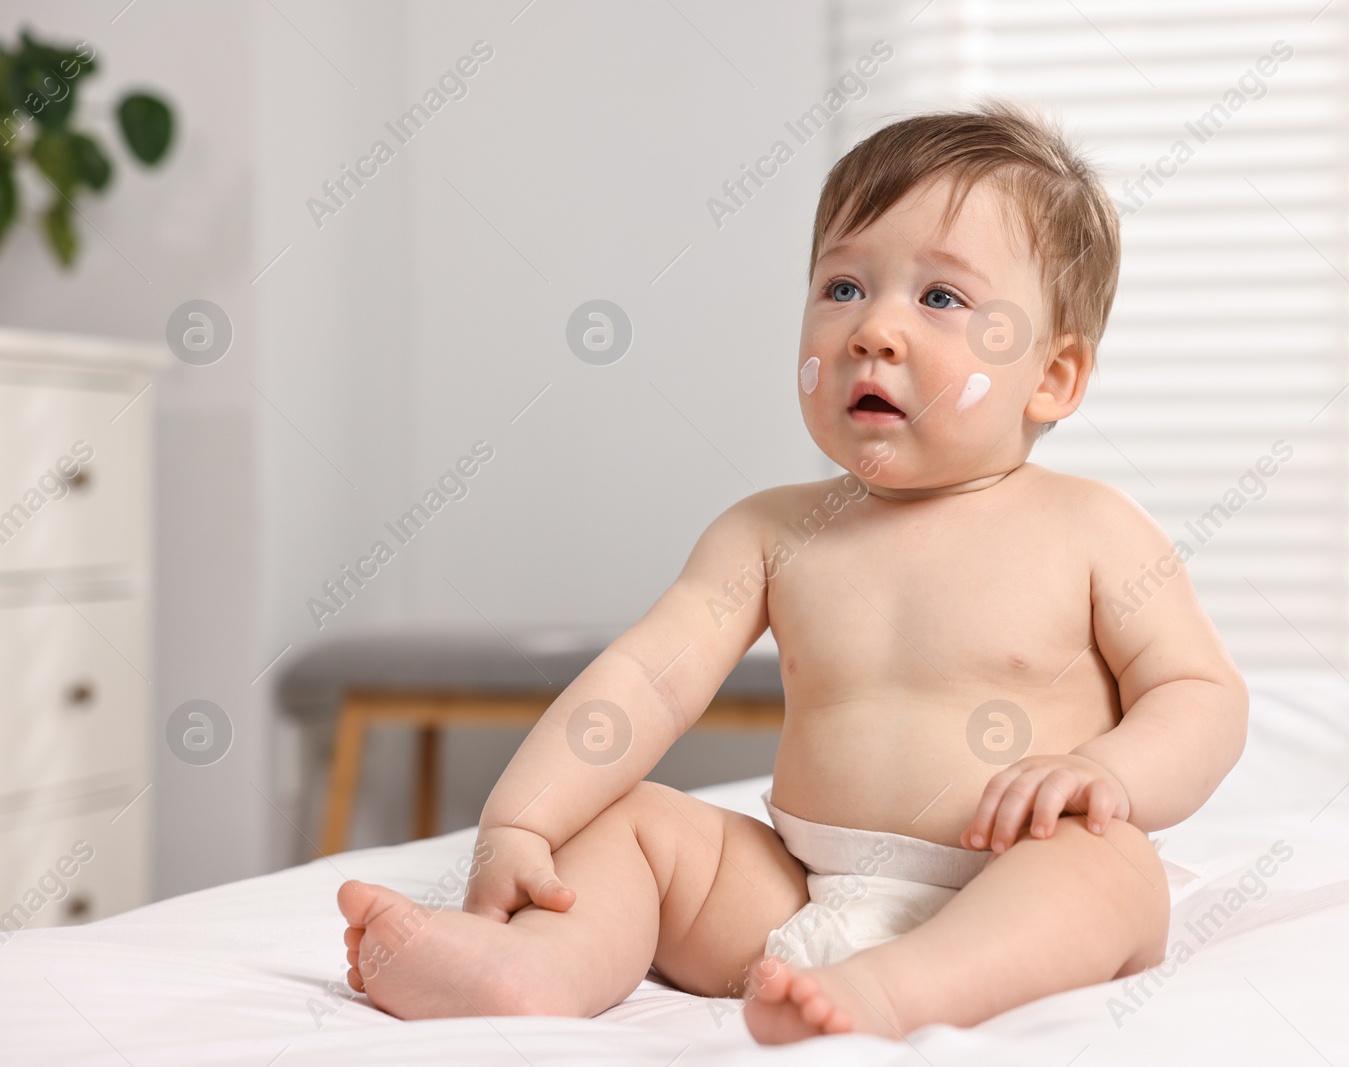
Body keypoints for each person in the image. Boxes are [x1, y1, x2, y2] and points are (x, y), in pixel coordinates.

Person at [336, 97, 1248, 1044]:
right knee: (637, 826)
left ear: (1053, 377)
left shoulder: (1092, 527)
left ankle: (896, 995)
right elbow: (643, 681)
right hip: (795, 891)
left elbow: (1202, 694)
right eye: (844, 287)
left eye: (940, 298)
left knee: (1109, 869)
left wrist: (1106, 773)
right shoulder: (774, 533)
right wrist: (522, 822)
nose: (874, 330)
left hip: (1009, 874)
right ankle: (529, 970)